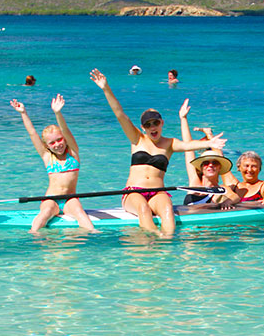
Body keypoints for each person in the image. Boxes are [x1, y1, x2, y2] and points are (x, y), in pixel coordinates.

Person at [90, 68, 224, 235]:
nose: (152, 127)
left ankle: (166, 244)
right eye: (148, 125)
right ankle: (156, 239)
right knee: (143, 209)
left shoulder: (169, 143)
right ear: (143, 128)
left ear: (162, 123)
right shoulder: (137, 138)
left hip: (158, 193)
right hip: (133, 192)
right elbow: (120, 114)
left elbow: (188, 146)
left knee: (168, 210)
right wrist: (106, 88)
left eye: (155, 123)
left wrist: (210, 142)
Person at [9, 94, 96, 233]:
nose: (57, 145)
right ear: (47, 146)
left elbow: (66, 130)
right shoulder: (47, 157)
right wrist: (23, 113)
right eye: (52, 143)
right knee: (44, 214)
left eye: (60, 140)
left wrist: (58, 113)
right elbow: (32, 133)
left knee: (80, 214)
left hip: (70, 199)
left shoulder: (73, 153)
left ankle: (95, 235)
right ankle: (33, 235)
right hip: (50, 199)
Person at [178, 98, 241, 206]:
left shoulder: (221, 190)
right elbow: (188, 148)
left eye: (215, 163)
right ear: (201, 168)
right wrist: (183, 119)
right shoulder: (194, 182)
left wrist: (228, 202)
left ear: (220, 167)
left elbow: (235, 197)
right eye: (206, 163)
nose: (210, 165)